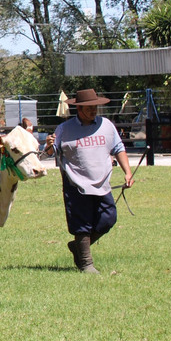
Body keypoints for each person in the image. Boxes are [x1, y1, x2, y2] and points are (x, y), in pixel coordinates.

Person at [44, 89, 134, 274]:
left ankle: (79, 246)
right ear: (79, 109)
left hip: (102, 182)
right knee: (81, 223)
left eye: (95, 107)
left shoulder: (106, 125)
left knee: (109, 218)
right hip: (75, 182)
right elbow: (50, 152)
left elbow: (118, 147)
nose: (94, 110)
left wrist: (128, 172)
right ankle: (86, 263)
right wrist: (47, 145)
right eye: (89, 108)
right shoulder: (64, 129)